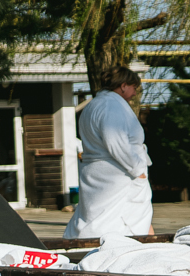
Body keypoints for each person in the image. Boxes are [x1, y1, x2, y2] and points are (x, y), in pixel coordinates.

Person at [64, 67, 152, 238]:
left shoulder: (94, 105)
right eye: (134, 88)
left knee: (100, 218)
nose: (135, 93)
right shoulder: (111, 106)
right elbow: (117, 143)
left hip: (97, 172)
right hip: (119, 175)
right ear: (123, 85)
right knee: (121, 221)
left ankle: (149, 249)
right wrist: (138, 170)